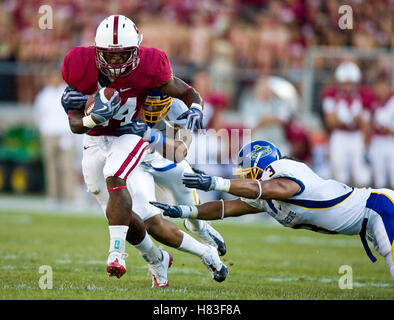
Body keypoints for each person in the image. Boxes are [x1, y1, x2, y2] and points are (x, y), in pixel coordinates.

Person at [60, 15, 204, 288]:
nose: (115, 62)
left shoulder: (153, 65)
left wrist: (195, 107)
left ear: (136, 50)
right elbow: (75, 124)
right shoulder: (78, 63)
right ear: (96, 51)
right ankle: (156, 257)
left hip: (131, 135)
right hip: (95, 138)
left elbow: (187, 93)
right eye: (109, 56)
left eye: (122, 55)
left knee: (118, 181)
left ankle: (117, 254)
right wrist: (93, 118)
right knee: (115, 211)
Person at [151, 140, 394, 280]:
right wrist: (184, 211)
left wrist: (216, 182)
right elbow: (226, 208)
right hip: (368, 220)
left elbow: (277, 187)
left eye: (246, 169)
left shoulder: (284, 170)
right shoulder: (263, 194)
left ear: (261, 164)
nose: (242, 174)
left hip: (378, 208)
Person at [102, 90, 228, 282]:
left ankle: (201, 228)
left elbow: (180, 152)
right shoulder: (126, 100)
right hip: (136, 163)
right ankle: (206, 253)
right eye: (148, 104)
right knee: (149, 221)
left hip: (165, 159)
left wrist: (151, 135)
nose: (152, 109)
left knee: (193, 213)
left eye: (157, 104)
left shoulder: (178, 106)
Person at [322, 61, 371, 187]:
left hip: (356, 136)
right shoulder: (331, 93)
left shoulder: (364, 94)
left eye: (351, 83)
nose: (348, 87)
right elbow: (331, 121)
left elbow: (366, 123)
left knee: (361, 175)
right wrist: (352, 121)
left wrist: (365, 142)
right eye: (345, 83)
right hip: (339, 136)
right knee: (340, 174)